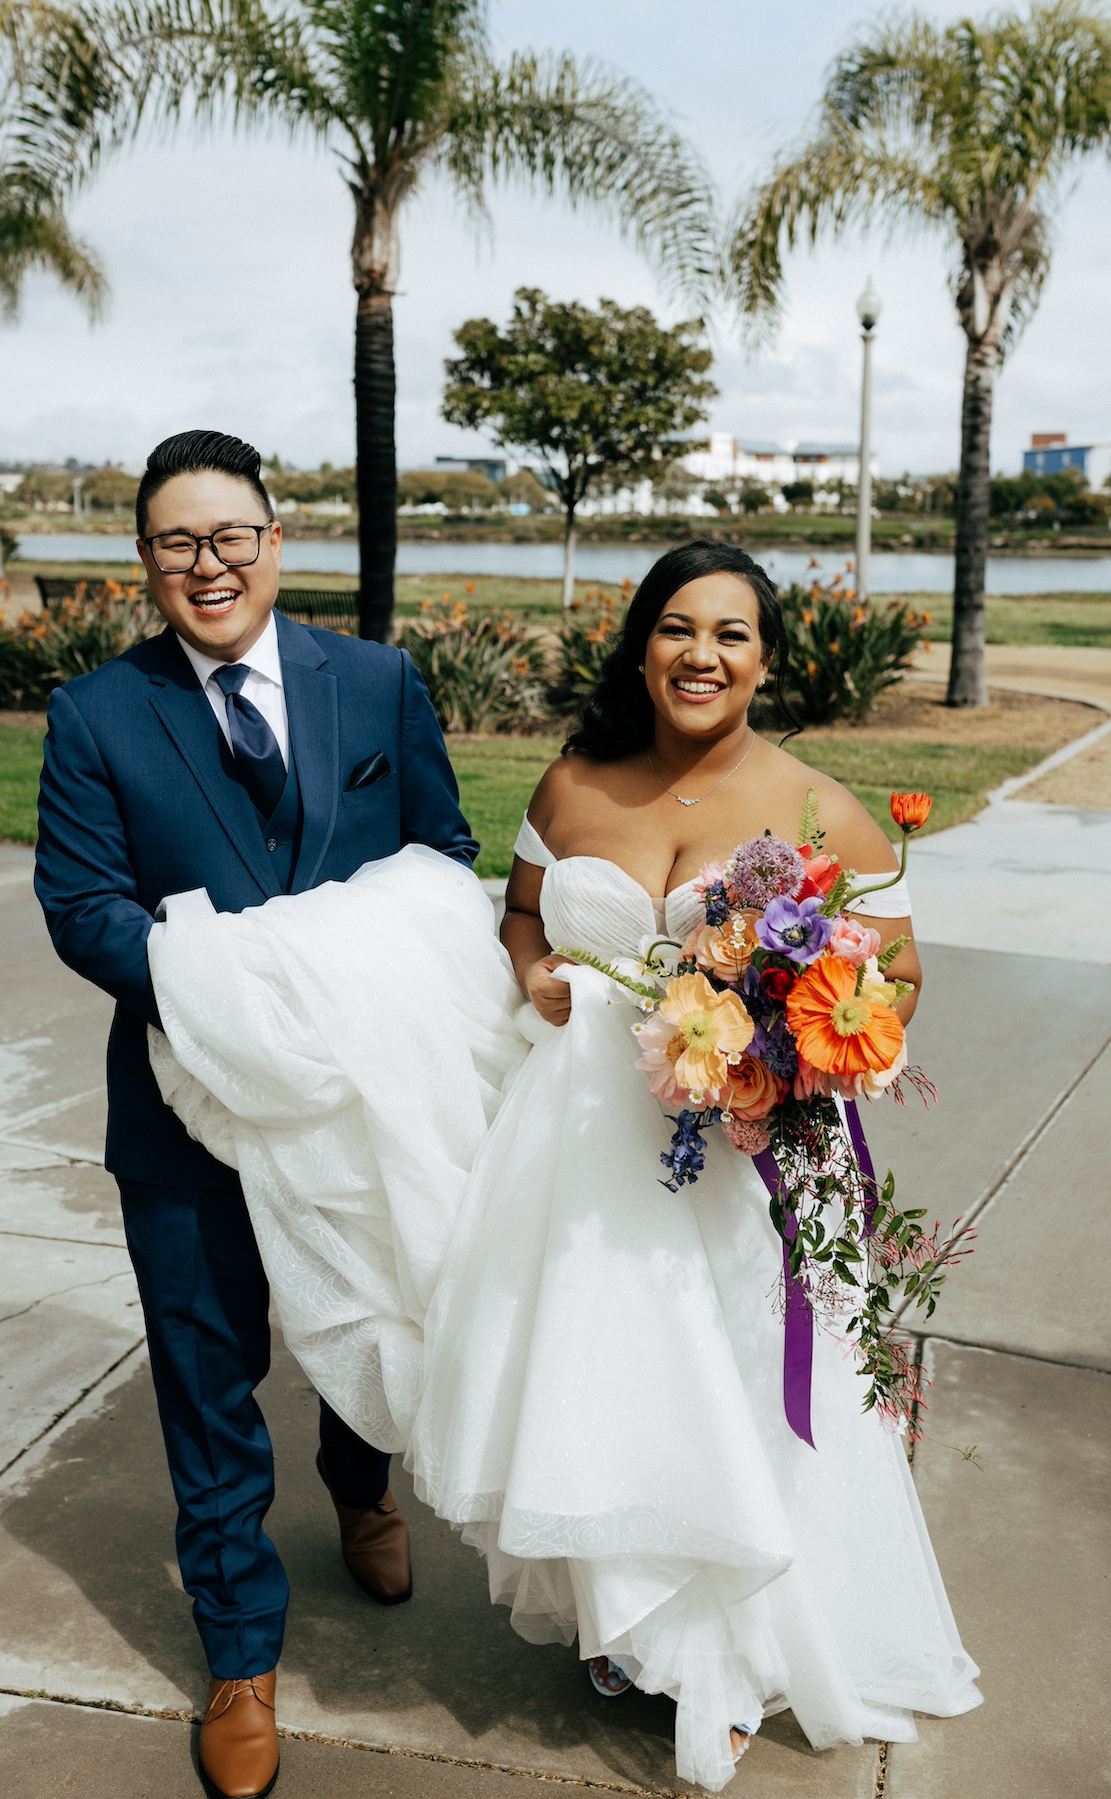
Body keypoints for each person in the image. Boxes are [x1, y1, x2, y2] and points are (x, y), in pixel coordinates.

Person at [407, 540, 982, 1790]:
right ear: (641, 643)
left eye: (730, 633)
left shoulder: (818, 805)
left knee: (726, 1394)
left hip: (736, 1156)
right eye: (677, 627)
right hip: (576, 1145)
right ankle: (631, 1608)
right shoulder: (571, 785)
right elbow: (519, 909)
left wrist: (794, 1034)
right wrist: (531, 970)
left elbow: (897, 976)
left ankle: (722, 1652)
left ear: (766, 658)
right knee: (597, 1373)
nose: (701, 654)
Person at [34, 429, 477, 1799]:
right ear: (146, 564)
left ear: (279, 542)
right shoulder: (96, 714)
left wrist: (359, 986)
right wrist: (243, 991)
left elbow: (441, 855)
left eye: (232, 535)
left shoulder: (382, 680)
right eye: (178, 542)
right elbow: (84, 907)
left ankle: (361, 1480)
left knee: (376, 1297)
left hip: (360, 1096)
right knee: (205, 1369)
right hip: (188, 1099)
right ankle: (238, 1651)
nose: (208, 563)